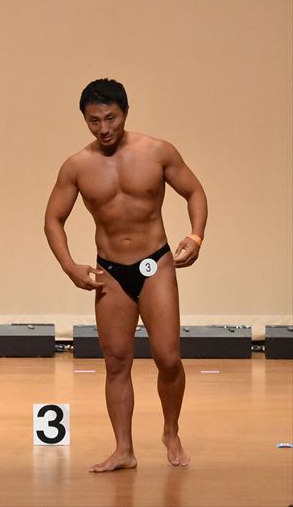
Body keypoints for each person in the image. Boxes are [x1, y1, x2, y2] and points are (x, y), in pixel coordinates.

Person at [45, 78, 207, 472]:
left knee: (168, 357)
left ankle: (171, 431)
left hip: (156, 264)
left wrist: (196, 235)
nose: (103, 128)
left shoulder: (157, 152)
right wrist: (69, 265)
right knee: (116, 361)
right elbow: (53, 219)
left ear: (125, 113)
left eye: (111, 118)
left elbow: (195, 192)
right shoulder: (77, 166)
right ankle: (124, 449)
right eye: (94, 121)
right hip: (111, 271)